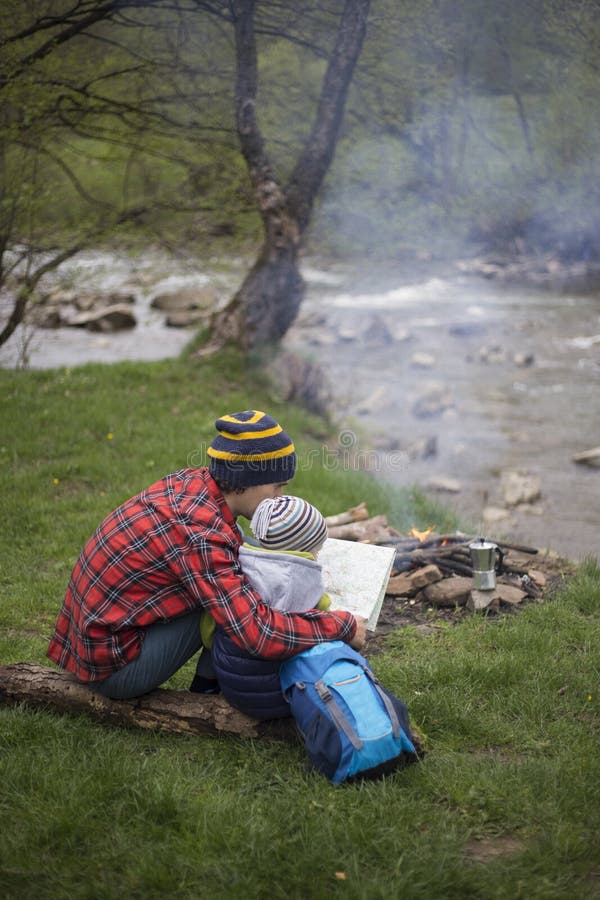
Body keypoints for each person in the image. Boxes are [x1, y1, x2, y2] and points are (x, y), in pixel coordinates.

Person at [47, 409, 366, 699]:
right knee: (236, 599)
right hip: (113, 669)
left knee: (240, 559)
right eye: (277, 487)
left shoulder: (196, 484)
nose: (280, 497)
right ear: (246, 482)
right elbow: (259, 633)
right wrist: (341, 626)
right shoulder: (202, 534)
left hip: (91, 640)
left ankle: (209, 681)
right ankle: (210, 686)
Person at [194, 495, 332, 712]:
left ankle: (204, 686)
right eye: (317, 549)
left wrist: (218, 646)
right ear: (304, 549)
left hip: (232, 685)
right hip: (275, 693)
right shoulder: (307, 581)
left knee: (224, 635)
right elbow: (322, 625)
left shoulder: (238, 568)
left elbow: (209, 625)